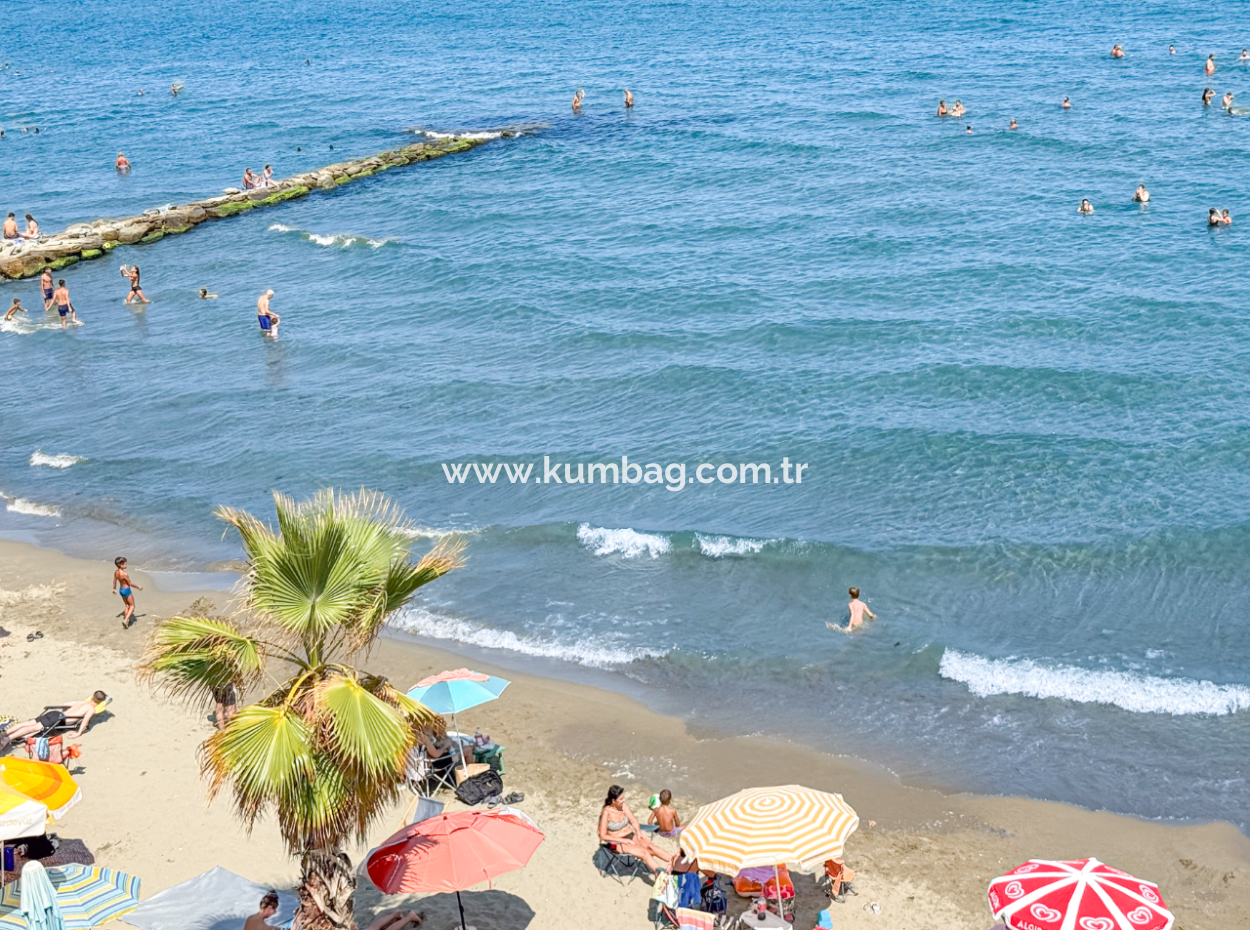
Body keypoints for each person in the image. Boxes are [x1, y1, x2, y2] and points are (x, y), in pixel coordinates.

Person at [599, 786, 673, 872]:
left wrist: (638, 832)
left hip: (630, 835)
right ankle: (661, 874)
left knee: (651, 847)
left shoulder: (623, 806)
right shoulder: (606, 812)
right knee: (644, 852)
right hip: (615, 842)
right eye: (621, 799)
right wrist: (622, 840)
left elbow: (633, 821)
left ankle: (677, 863)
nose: (624, 800)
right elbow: (603, 836)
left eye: (623, 797)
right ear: (613, 801)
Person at [0, 692, 108, 749]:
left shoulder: (82, 702)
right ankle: (7, 739)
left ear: (92, 696)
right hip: (59, 719)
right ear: (100, 702)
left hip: (55, 713)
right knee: (32, 728)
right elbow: (85, 720)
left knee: (28, 723)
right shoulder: (91, 708)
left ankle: (5, 733)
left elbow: (65, 704)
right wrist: (78, 733)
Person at [114, 556, 142, 628]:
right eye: (124, 564)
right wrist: (138, 587)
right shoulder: (124, 574)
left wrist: (114, 589)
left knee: (127, 605)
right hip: (127, 590)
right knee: (132, 606)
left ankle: (126, 619)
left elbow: (114, 581)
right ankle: (126, 620)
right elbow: (130, 584)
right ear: (120, 565)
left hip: (121, 590)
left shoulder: (116, 572)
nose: (126, 564)